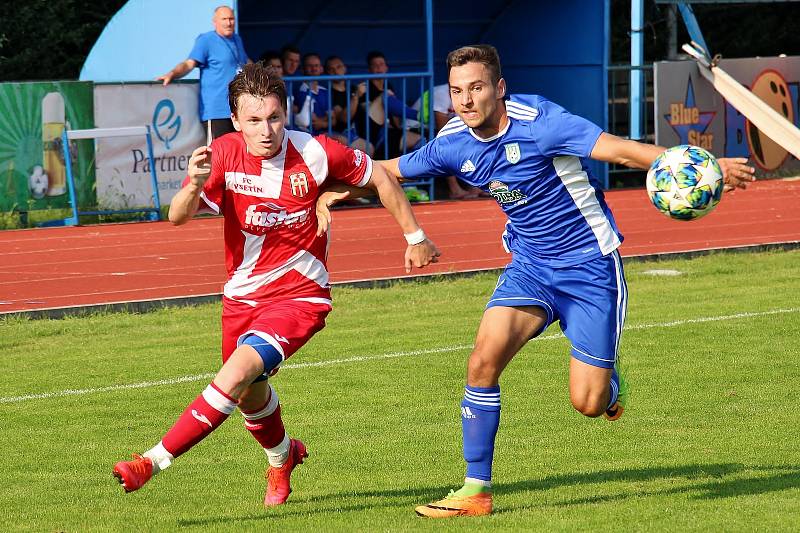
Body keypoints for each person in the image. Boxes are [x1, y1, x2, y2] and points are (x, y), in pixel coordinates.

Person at [317, 44, 755, 518]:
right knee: (482, 363)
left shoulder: (542, 123)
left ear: (499, 88)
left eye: (477, 88)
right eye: (458, 91)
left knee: (588, 403)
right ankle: (475, 491)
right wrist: (333, 192)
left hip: (590, 268)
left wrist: (701, 166)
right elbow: (389, 170)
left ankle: (608, 386)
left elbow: (624, 152)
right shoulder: (453, 142)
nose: (465, 101)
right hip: (530, 267)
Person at [113, 62, 441, 506]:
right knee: (250, 394)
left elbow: (378, 175)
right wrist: (192, 184)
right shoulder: (225, 154)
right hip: (241, 297)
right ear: (235, 122)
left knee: (235, 375)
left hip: (301, 296)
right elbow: (177, 216)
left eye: (273, 117)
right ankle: (283, 457)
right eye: (253, 120)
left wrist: (415, 237)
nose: (266, 130)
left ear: (285, 113)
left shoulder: (315, 151)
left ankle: (150, 461)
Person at [157, 5, 250, 139]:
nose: (229, 23)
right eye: (224, 19)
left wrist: (265, 74)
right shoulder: (206, 40)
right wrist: (172, 74)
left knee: (239, 154)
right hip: (217, 112)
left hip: (239, 109)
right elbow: (189, 64)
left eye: (231, 19)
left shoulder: (237, 39)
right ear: (215, 22)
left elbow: (246, 63)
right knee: (218, 155)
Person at [412, 83, 485, 199]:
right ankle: (455, 189)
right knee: (448, 146)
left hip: (435, 131)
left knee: (477, 141)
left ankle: (477, 185)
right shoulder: (441, 93)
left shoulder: (468, 95)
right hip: (415, 129)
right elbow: (443, 130)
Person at [353, 51, 422, 159]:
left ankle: (409, 174)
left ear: (386, 67)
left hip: (388, 130)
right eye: (375, 65)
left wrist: (398, 127)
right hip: (371, 133)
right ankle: (420, 116)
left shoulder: (387, 85)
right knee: (385, 97)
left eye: (381, 64)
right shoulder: (364, 88)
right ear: (369, 70)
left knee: (421, 140)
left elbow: (394, 116)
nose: (378, 68)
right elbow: (365, 112)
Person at [325, 55, 372, 154]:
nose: (336, 71)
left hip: (362, 131)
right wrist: (355, 96)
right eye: (331, 69)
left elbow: (367, 108)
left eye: (338, 67)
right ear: (327, 72)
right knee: (369, 148)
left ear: (344, 68)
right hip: (342, 133)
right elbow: (344, 118)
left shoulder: (352, 88)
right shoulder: (328, 92)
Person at [292, 53, 331, 135]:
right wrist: (325, 120)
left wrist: (323, 123)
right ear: (302, 69)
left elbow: (333, 119)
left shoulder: (325, 91)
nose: (314, 69)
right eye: (309, 66)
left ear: (321, 69)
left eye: (316, 65)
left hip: (327, 133)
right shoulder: (299, 91)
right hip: (308, 135)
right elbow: (312, 121)